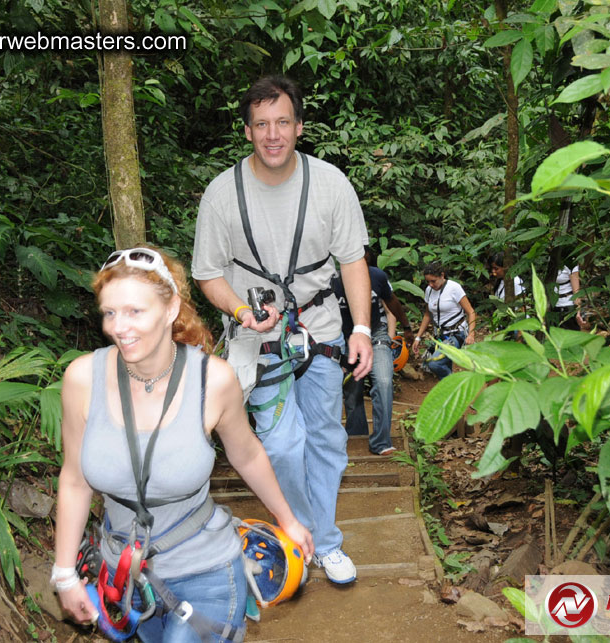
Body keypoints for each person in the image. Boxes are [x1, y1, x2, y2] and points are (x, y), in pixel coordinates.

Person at [52, 246, 314, 642]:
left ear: (171, 307)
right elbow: (74, 480)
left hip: (207, 574)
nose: (119, 327)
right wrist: (64, 574)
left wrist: (288, 519)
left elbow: (247, 455)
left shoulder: (214, 380)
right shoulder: (82, 379)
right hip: (128, 578)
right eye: (110, 312)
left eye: (135, 311)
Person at [192, 75, 372, 585]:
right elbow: (207, 273)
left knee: (327, 439)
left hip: (322, 332)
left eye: (283, 122)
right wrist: (241, 312)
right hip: (257, 338)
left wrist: (361, 328)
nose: (273, 134)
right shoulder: (222, 194)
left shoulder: (330, 184)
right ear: (247, 131)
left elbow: (353, 260)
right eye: (262, 124)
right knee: (281, 445)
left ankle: (324, 542)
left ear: (300, 127)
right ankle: (303, 532)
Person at [331, 246, 414, 456]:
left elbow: (392, 301)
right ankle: (356, 437)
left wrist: (406, 327)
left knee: (384, 382)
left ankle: (381, 441)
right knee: (352, 391)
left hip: (376, 334)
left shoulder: (376, 276)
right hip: (346, 338)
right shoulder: (333, 281)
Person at [412, 261, 477, 379]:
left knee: (435, 363)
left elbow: (471, 312)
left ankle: (454, 382)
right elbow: (427, 315)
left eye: (433, 281)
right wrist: (418, 337)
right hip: (440, 335)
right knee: (442, 363)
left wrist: (471, 335)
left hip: (456, 333)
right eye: (428, 282)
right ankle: (451, 385)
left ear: (442, 275)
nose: (431, 284)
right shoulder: (429, 290)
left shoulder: (454, 288)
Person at [552, 264, 586, 330]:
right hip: (552, 305)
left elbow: (576, 292)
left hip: (568, 305)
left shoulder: (570, 264)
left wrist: (578, 311)